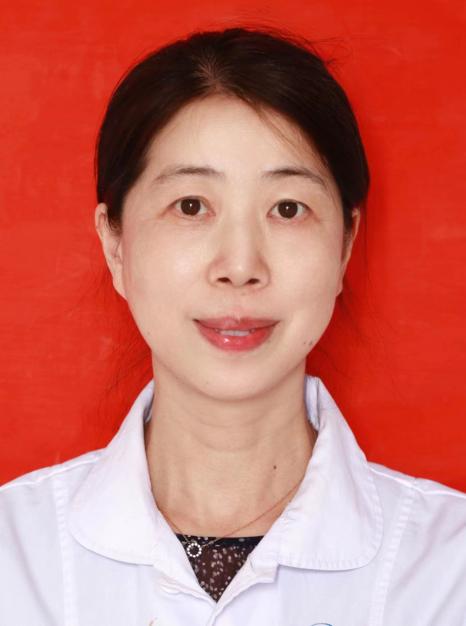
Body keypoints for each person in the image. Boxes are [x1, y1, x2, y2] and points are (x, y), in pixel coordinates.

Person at [1, 25, 465, 626]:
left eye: (288, 209)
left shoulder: (447, 569)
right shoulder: (15, 558)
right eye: (191, 206)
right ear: (115, 245)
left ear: (346, 246)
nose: (241, 266)